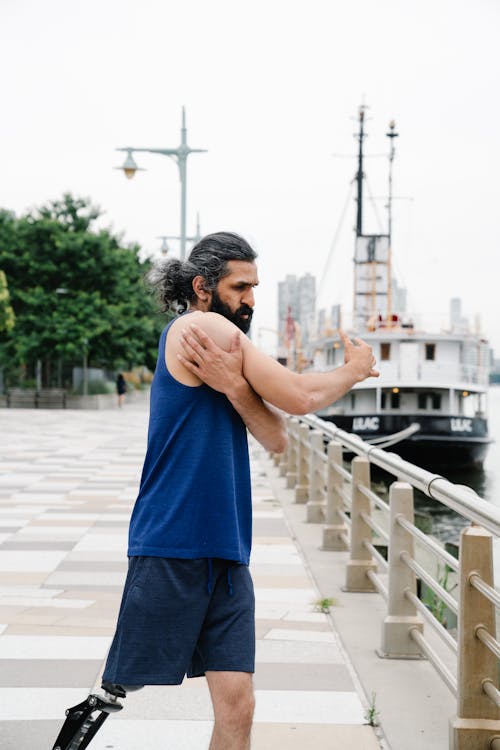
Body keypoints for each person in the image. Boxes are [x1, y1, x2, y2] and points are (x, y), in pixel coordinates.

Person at [52, 231, 377, 750]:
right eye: (240, 286)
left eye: (254, 287)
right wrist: (353, 370)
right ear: (202, 287)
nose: (251, 299)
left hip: (226, 551)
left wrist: (233, 386)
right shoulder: (200, 328)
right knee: (113, 691)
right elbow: (298, 397)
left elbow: (275, 437)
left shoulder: (226, 357)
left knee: (238, 704)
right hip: (174, 542)